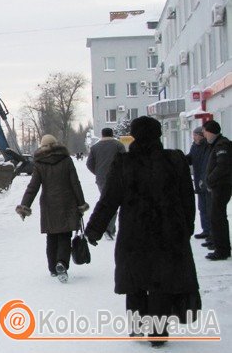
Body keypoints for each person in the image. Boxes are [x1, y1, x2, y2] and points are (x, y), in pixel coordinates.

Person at [85, 116, 199, 348]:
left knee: (136, 281)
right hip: (168, 233)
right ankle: (158, 332)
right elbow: (188, 198)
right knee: (161, 281)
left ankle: (137, 327)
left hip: (134, 234)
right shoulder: (175, 160)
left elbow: (109, 200)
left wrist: (94, 230)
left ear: (134, 136)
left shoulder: (124, 163)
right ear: (158, 134)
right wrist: (186, 228)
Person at [16, 134, 89, 284]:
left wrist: (25, 206)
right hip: (68, 202)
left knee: (51, 236)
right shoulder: (66, 160)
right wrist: (81, 203)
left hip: (49, 204)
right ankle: (62, 262)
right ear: (56, 144)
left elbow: (33, 187)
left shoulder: (40, 163)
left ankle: (52, 268)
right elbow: (75, 183)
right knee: (64, 235)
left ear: (42, 146)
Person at [86, 127, 126, 239]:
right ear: (112, 134)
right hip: (118, 178)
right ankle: (108, 229)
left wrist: (98, 172)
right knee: (114, 202)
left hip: (101, 179)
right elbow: (125, 161)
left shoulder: (94, 148)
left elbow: (89, 164)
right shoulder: (118, 145)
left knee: (107, 201)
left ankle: (110, 229)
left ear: (102, 135)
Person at [202, 120, 232, 260]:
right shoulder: (216, 144)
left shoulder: (222, 145)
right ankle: (219, 245)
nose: (204, 135)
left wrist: (210, 179)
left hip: (221, 186)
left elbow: (222, 166)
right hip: (218, 186)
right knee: (216, 217)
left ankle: (222, 250)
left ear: (210, 132)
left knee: (217, 218)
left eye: (205, 132)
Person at [185, 126, 211, 239]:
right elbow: (191, 158)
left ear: (201, 135)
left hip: (207, 180)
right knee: (202, 207)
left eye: (195, 135)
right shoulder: (195, 146)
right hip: (198, 180)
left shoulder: (207, 147)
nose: (193, 137)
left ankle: (211, 232)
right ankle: (206, 230)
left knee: (209, 207)